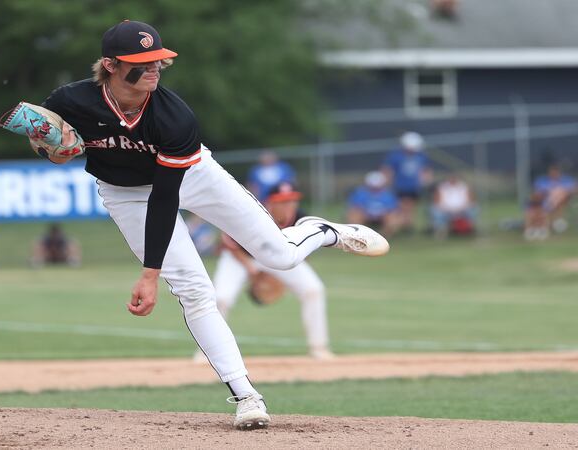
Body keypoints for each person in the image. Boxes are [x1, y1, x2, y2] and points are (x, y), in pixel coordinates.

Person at [28, 20, 389, 430]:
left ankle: (322, 231)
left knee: (281, 256)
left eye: (158, 60)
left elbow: (166, 198)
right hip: (125, 192)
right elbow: (45, 139)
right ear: (110, 65)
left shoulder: (174, 117)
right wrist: (52, 151)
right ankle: (247, 396)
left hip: (193, 175)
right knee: (195, 290)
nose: (154, 68)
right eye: (142, 62)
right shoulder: (69, 100)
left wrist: (150, 274)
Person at [194, 182, 333, 362]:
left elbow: (303, 248)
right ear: (270, 203)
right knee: (221, 298)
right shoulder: (251, 214)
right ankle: (206, 353)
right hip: (239, 258)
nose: (289, 205)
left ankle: (319, 348)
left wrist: (286, 273)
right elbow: (230, 243)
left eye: (292, 201)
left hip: (276, 257)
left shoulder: (300, 219)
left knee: (313, 290)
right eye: (283, 202)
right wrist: (253, 271)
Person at [382, 132, 433, 232]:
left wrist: (426, 180)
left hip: (414, 187)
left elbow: (426, 170)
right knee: (402, 207)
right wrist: (388, 182)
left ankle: (407, 226)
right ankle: (403, 225)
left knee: (411, 207)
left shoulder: (421, 156)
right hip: (400, 186)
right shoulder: (396, 156)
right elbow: (388, 170)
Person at [525, 164, 577, 240]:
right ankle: (531, 229)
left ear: (559, 173)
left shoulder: (567, 181)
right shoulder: (542, 181)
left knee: (559, 193)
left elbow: (574, 190)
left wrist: (561, 193)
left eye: (555, 173)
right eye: (552, 173)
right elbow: (537, 194)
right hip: (543, 202)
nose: (554, 174)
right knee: (533, 209)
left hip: (559, 203)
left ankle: (542, 229)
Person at [346, 171, 401, 237]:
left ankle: (382, 236)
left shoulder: (388, 195)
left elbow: (393, 209)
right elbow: (355, 207)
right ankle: (359, 236)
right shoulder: (360, 193)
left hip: (383, 216)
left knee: (393, 218)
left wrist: (382, 214)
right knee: (354, 215)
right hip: (365, 215)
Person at [430, 173, 477, 239]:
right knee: (435, 211)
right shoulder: (442, 187)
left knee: (473, 210)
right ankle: (440, 232)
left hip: (462, 209)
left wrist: (461, 208)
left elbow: (470, 200)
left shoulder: (463, 187)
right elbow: (437, 201)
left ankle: (469, 229)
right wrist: (446, 209)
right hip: (445, 209)